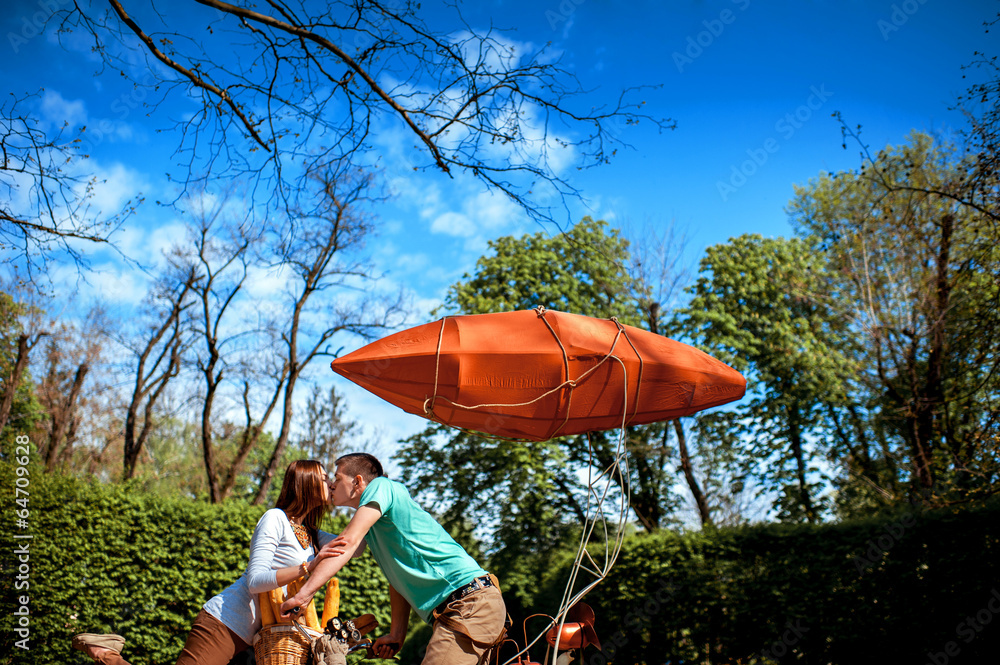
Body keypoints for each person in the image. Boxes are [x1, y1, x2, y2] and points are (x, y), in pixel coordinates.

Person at [72, 460, 344, 665]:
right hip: (223, 622)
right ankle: (105, 653)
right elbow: (255, 580)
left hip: (255, 637)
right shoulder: (275, 519)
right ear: (306, 482)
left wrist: (361, 498)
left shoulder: (312, 534)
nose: (330, 484)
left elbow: (356, 544)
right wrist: (307, 566)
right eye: (323, 478)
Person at [280, 452, 507, 665]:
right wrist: (397, 633)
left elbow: (345, 545)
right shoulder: (376, 527)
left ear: (358, 482)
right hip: (469, 606)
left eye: (337, 478)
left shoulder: (381, 486)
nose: (331, 485)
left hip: (469, 603)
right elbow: (398, 579)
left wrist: (303, 595)